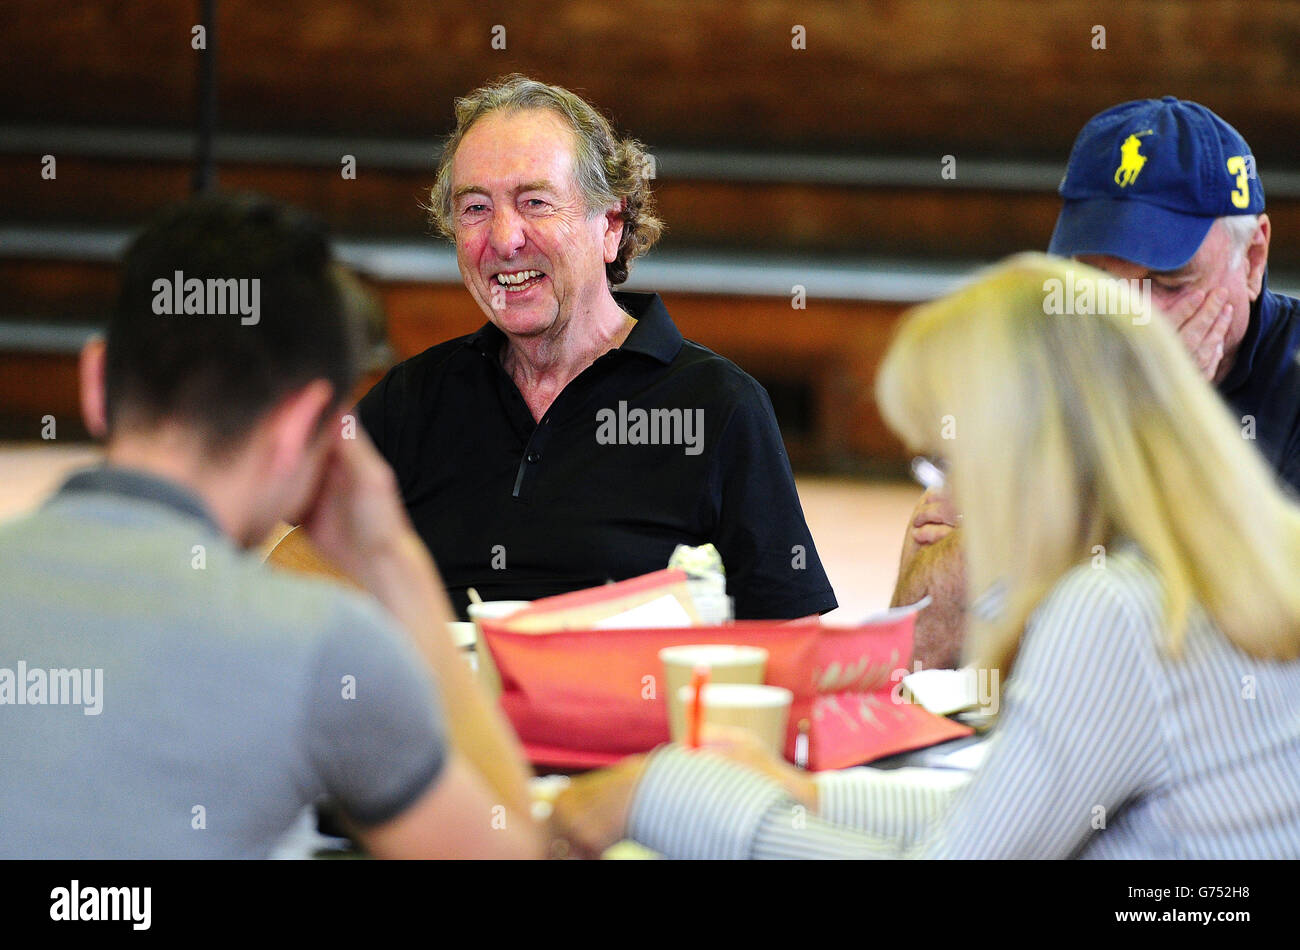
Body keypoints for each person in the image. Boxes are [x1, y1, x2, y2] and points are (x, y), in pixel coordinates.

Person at [548, 255, 1300, 859]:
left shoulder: (1121, 612)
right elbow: (1002, 809)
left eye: (946, 461)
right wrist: (810, 795)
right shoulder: (1232, 566)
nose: (941, 496)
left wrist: (661, 794)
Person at [0, 193, 541, 859]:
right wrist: (392, 562)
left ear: (94, 381)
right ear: (299, 427)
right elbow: (511, 849)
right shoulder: (323, 645)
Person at [355, 74, 836, 621]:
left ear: (610, 225)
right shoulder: (411, 399)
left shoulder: (719, 406)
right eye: (475, 209)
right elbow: (290, 538)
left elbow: (790, 639)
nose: (505, 239)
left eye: (535, 202)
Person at [894, 97, 1300, 669]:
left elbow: (1241, 645)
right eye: (1099, 284)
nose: (1134, 320)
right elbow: (918, 644)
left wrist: (1151, 417)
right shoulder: (1045, 357)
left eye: (1169, 281)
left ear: (1253, 258)